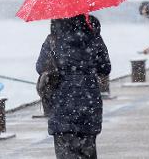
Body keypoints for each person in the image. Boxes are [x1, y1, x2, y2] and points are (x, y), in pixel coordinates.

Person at [36, 14, 111, 159]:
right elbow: (105, 68)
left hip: (61, 105)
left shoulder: (52, 40)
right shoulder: (94, 38)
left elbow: (41, 67)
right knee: (87, 151)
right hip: (89, 105)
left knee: (66, 153)